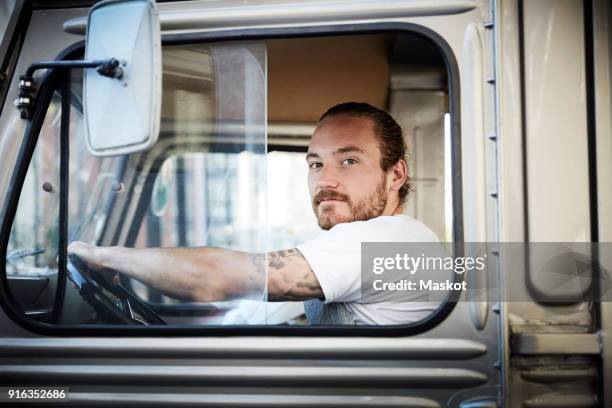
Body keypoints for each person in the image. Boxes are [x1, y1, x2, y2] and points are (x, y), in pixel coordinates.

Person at [68, 102, 441, 325]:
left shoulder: (388, 240)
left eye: (348, 160)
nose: (325, 179)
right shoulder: (351, 249)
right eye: (315, 164)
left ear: (395, 174)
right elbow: (249, 314)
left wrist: (107, 257)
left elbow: (214, 277)